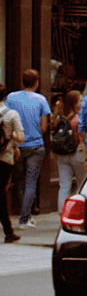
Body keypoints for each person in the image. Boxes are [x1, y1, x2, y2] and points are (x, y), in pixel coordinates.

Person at [7, 68, 50, 228]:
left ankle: (25, 214)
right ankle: (25, 218)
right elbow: (44, 127)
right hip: (35, 144)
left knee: (20, 181)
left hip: (18, 145)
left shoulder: (11, 98)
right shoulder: (41, 100)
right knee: (31, 181)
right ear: (37, 82)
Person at [49, 88, 87, 211]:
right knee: (82, 183)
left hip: (61, 154)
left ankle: (62, 210)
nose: (81, 103)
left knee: (64, 184)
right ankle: (79, 210)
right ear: (74, 103)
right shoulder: (78, 119)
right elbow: (81, 139)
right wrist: (86, 157)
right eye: (80, 100)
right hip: (76, 153)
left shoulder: (59, 118)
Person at [0, 84, 25, 242]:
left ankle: (9, 231)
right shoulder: (11, 114)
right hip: (4, 158)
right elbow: (21, 138)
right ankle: (8, 232)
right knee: (1, 194)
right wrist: (13, 137)